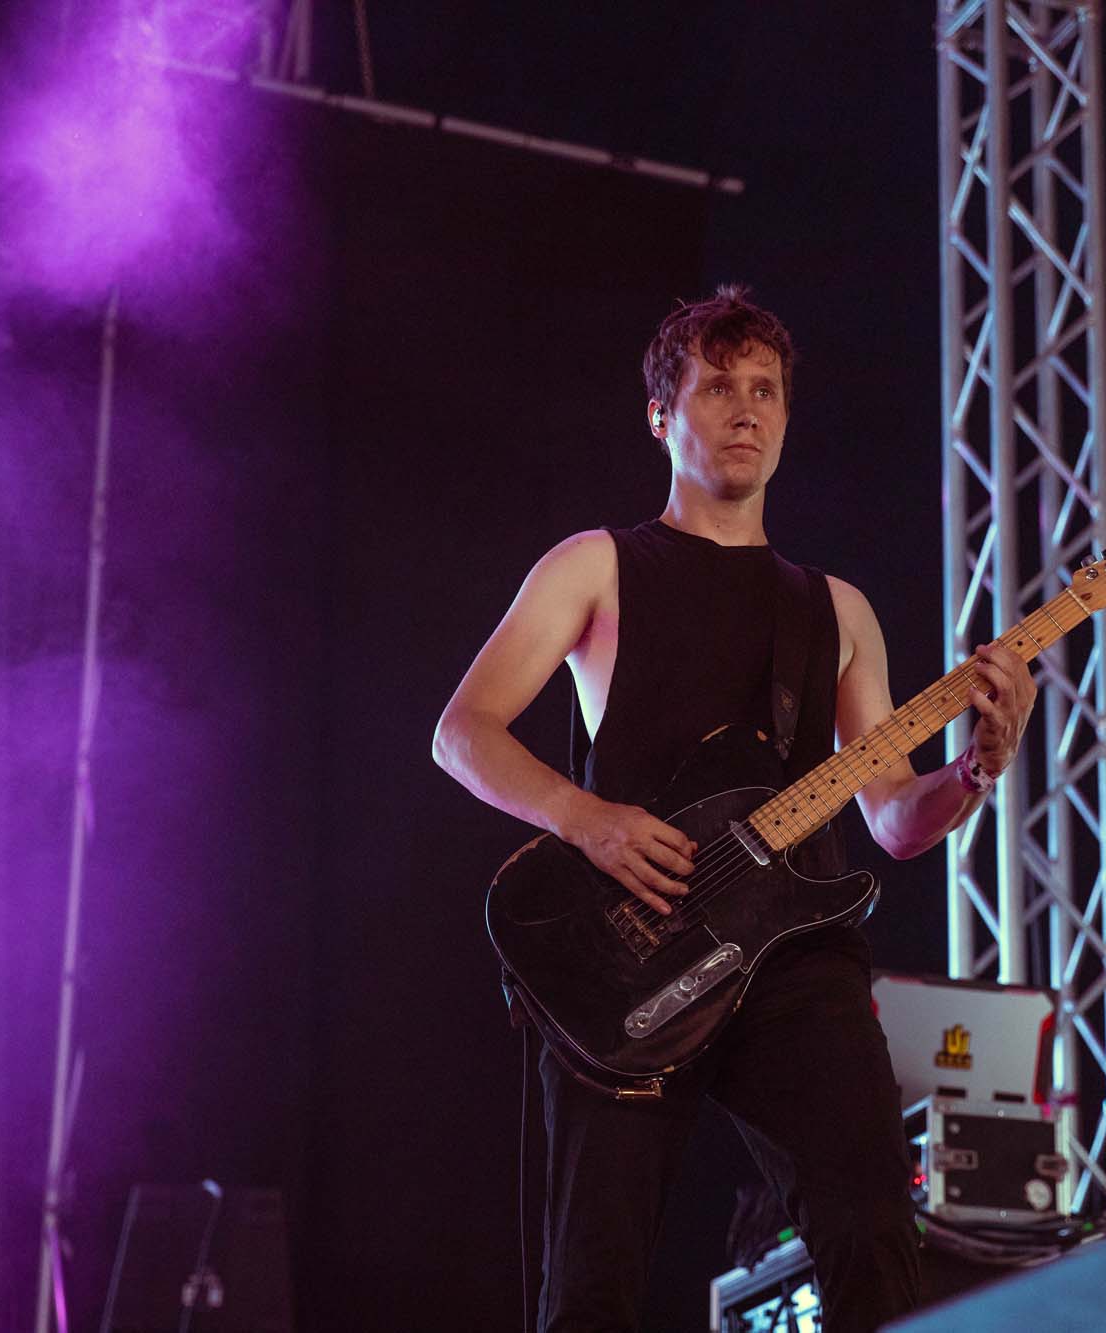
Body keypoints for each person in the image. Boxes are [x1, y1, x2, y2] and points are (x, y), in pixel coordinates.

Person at [432, 285, 1037, 1332]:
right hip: (626, 952)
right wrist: (587, 816)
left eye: (765, 390)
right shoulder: (596, 565)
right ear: (661, 415)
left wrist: (975, 769)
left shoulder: (835, 608)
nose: (746, 410)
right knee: (593, 1289)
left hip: (795, 959)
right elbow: (463, 732)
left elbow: (893, 820)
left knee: (873, 1231)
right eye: (717, 388)